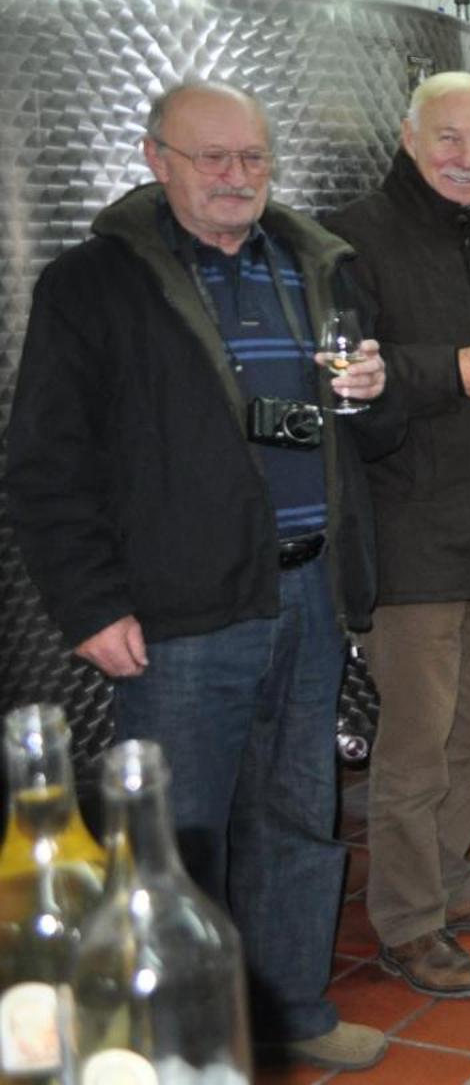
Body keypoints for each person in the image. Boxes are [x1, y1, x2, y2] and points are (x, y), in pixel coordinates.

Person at [3, 81, 389, 1070]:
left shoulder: (308, 269)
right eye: (210, 157)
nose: (234, 176)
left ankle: (292, 1008)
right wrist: (89, 603)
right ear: (155, 157)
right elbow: (48, 459)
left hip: (302, 588)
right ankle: (176, 1032)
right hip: (181, 608)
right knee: (179, 834)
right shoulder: (92, 283)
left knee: (300, 813)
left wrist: (357, 400)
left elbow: (262, 424)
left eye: (251, 158)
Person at [320, 72, 470, 998]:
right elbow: (343, 378)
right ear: (410, 138)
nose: (468, 159)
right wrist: (446, 370)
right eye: (451, 140)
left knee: (469, 736)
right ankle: (409, 922)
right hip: (409, 532)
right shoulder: (355, 237)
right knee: (415, 748)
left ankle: (454, 883)